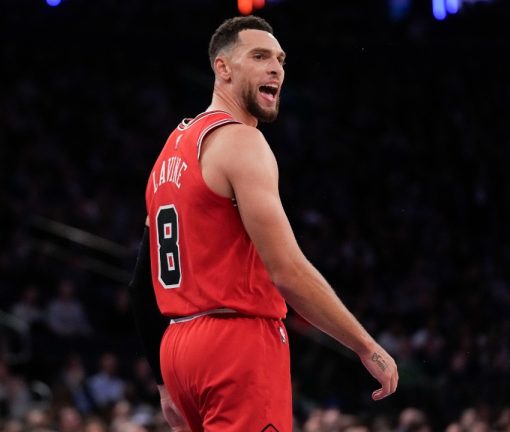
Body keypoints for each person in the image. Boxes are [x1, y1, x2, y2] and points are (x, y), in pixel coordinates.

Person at [128, 16, 398, 432]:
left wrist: (165, 384)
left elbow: (140, 284)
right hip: (236, 343)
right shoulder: (242, 140)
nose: (276, 68)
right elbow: (287, 271)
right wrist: (365, 345)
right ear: (223, 68)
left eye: (281, 59)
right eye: (259, 56)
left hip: (178, 348)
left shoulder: (170, 151)